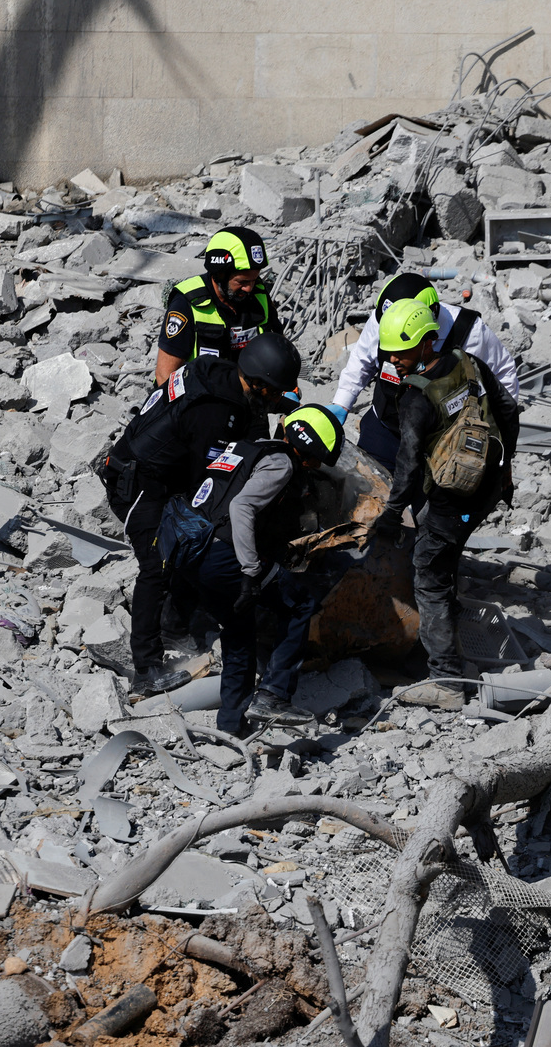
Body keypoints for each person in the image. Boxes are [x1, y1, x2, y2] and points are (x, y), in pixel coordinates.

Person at [98, 333, 302, 692]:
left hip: (162, 473)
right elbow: (207, 478)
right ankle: (146, 670)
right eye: (273, 393)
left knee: (191, 542)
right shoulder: (214, 412)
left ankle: (175, 628)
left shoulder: (219, 372)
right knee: (159, 563)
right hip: (138, 483)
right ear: (257, 384)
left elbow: (247, 434)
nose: (276, 400)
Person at [369, 299, 520, 709]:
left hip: (454, 498)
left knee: (428, 575)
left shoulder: (416, 396)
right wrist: (506, 467)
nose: (394, 360)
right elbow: (507, 408)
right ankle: (448, 636)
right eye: (389, 353)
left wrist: (389, 514)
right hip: (487, 486)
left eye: (402, 352)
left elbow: (407, 464)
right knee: (443, 551)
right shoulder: (468, 363)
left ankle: (447, 681)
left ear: (427, 342)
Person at [184, 403, 346, 732]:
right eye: (315, 460)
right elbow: (241, 507)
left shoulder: (252, 447)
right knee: (300, 603)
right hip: (224, 554)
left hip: (191, 547)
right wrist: (250, 571)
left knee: (239, 632)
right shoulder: (282, 463)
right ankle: (273, 694)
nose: (315, 467)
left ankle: (231, 726)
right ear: (305, 451)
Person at [327, 272, 520, 472]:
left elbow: (503, 373)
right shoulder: (385, 318)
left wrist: (497, 437)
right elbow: (361, 360)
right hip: (385, 430)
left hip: (441, 447)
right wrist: (342, 403)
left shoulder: (469, 332)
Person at [155, 227, 284, 384]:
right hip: (198, 394)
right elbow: (164, 375)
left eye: (254, 280)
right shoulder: (187, 303)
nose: (249, 288)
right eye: (242, 282)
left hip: (247, 392)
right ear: (220, 275)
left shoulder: (259, 295)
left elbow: (279, 350)